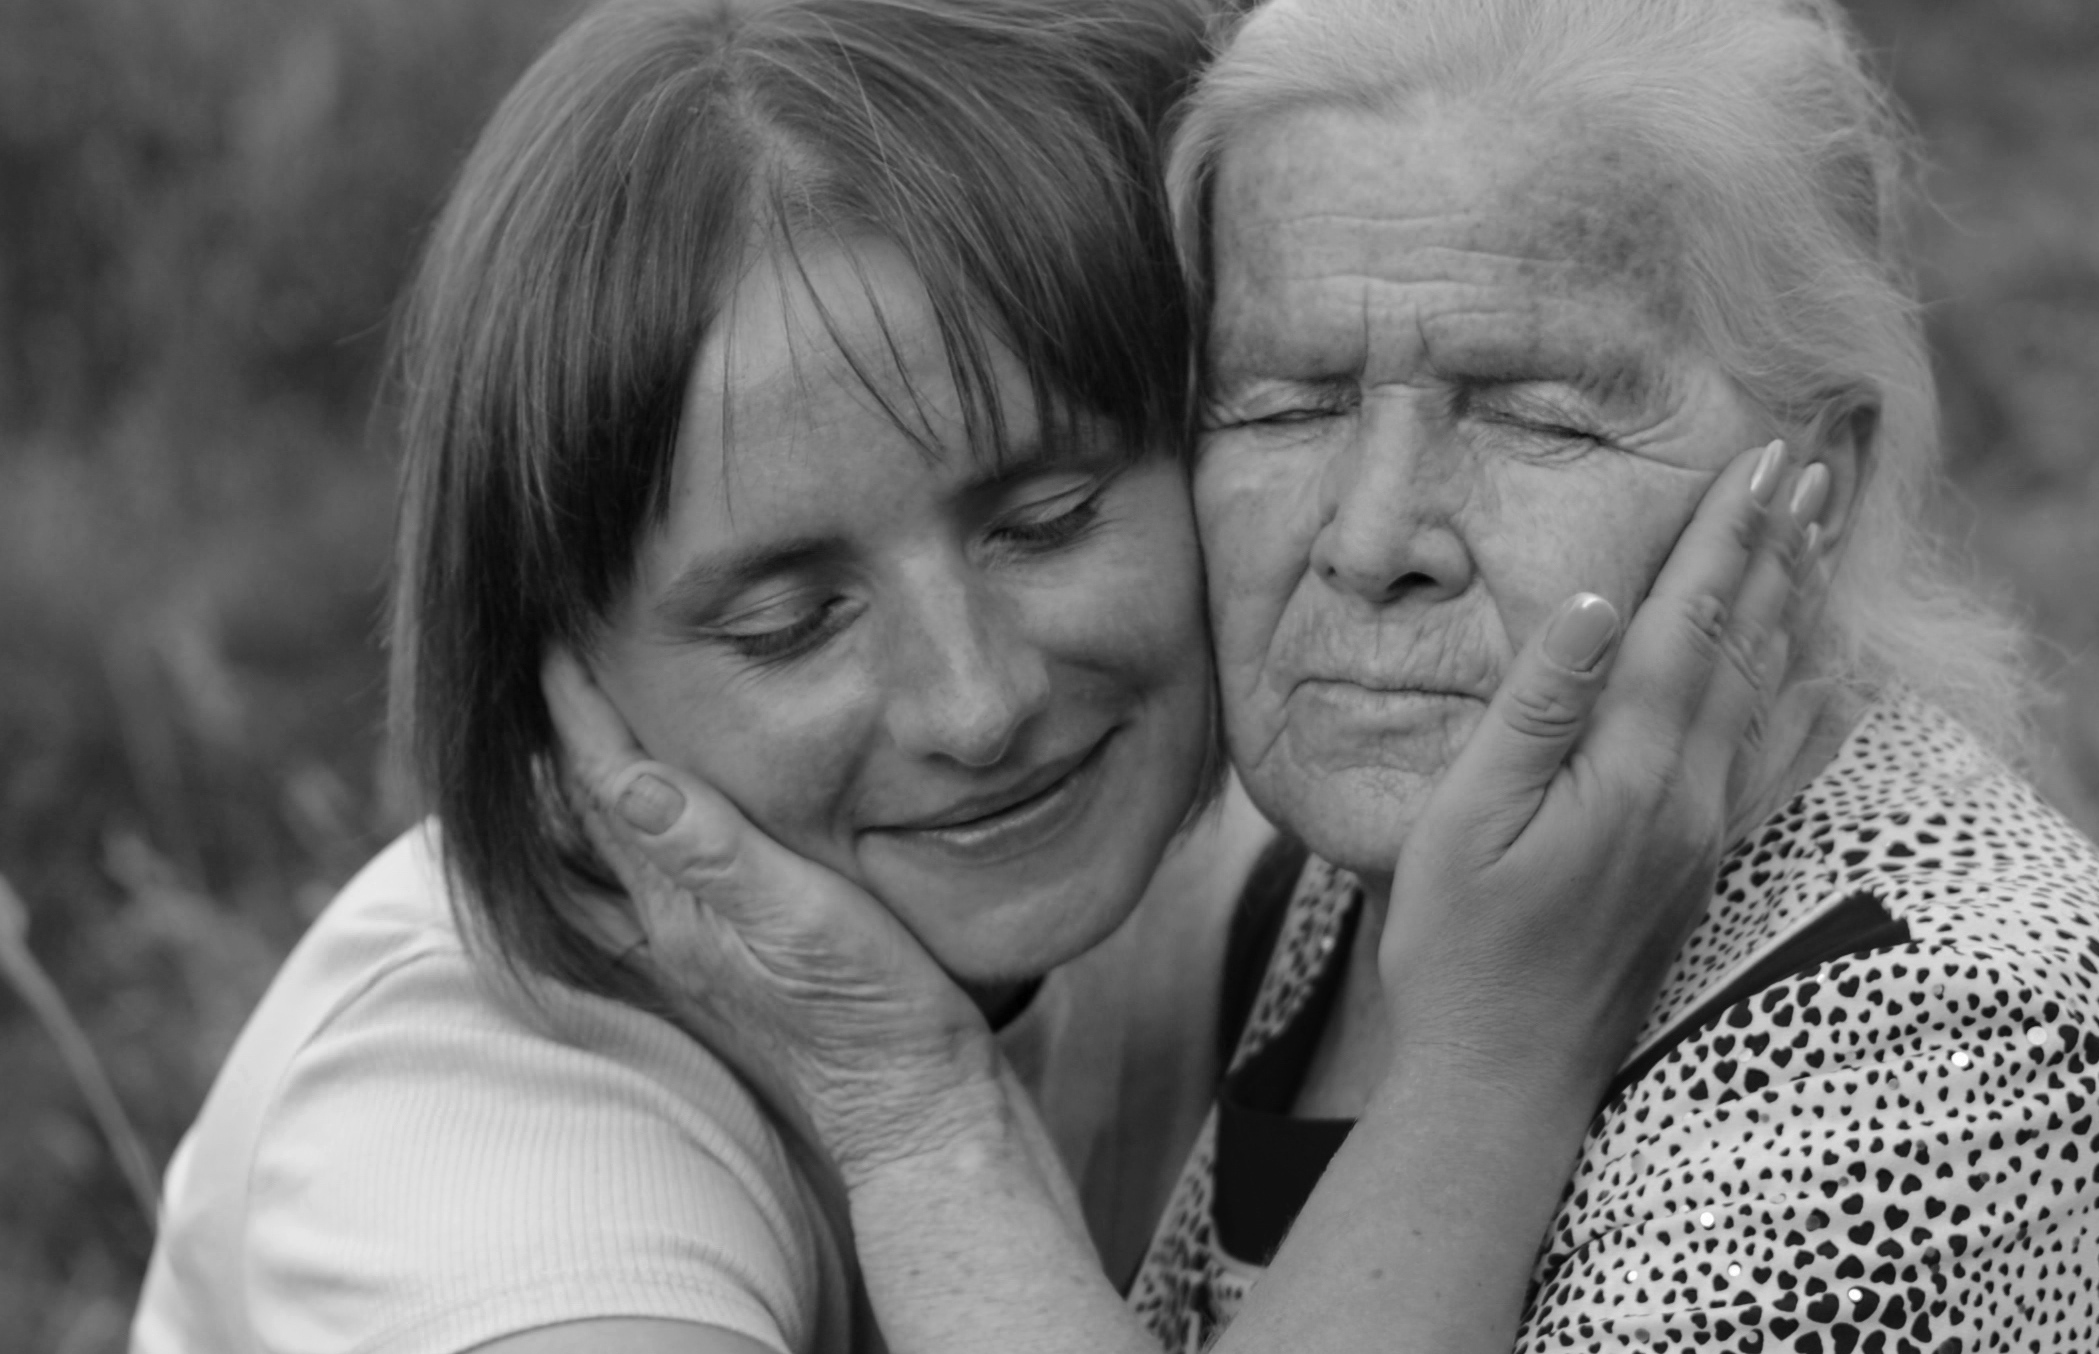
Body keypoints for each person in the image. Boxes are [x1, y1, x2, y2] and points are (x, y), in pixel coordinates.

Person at [571, 0, 2099, 1351]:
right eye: (1282, 400)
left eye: (1533, 412)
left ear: (1820, 474)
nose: (1371, 537)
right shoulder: (1384, 887)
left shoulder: (1986, 1058)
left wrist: (926, 1123)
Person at [130, 0, 1825, 1351]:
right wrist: (926, 1120)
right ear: (555, 685)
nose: (979, 703)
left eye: (1048, 519)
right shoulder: (479, 1161)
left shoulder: (1234, 854)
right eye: (790, 622)